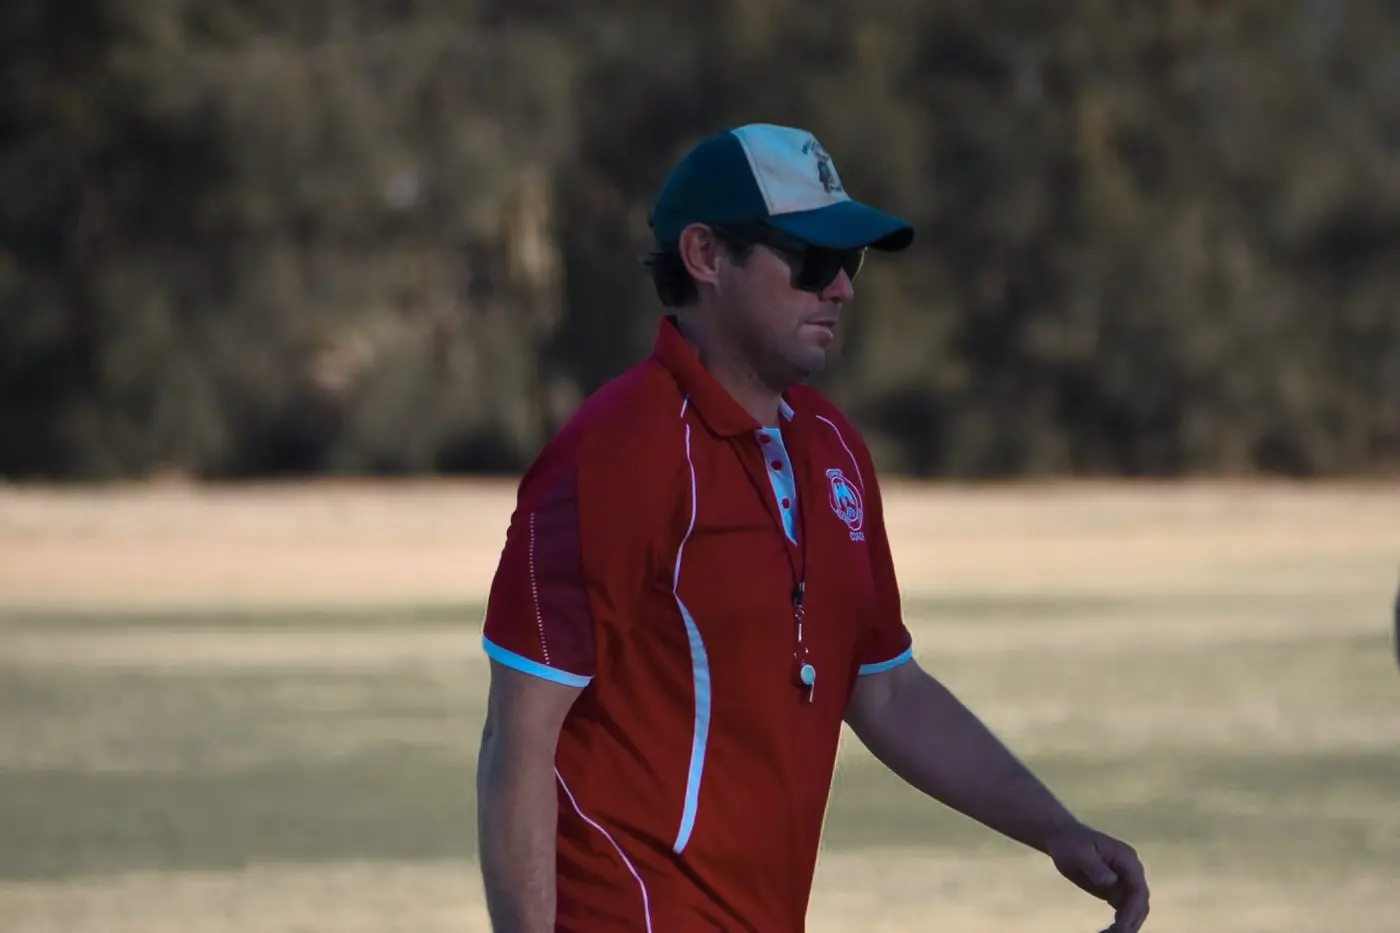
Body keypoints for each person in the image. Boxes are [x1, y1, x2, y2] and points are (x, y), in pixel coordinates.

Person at [475, 122, 1150, 933]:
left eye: (850, 262)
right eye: (811, 260)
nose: (841, 289)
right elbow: (520, 736)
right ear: (704, 256)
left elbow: (888, 687)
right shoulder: (616, 454)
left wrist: (1055, 830)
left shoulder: (831, 446)